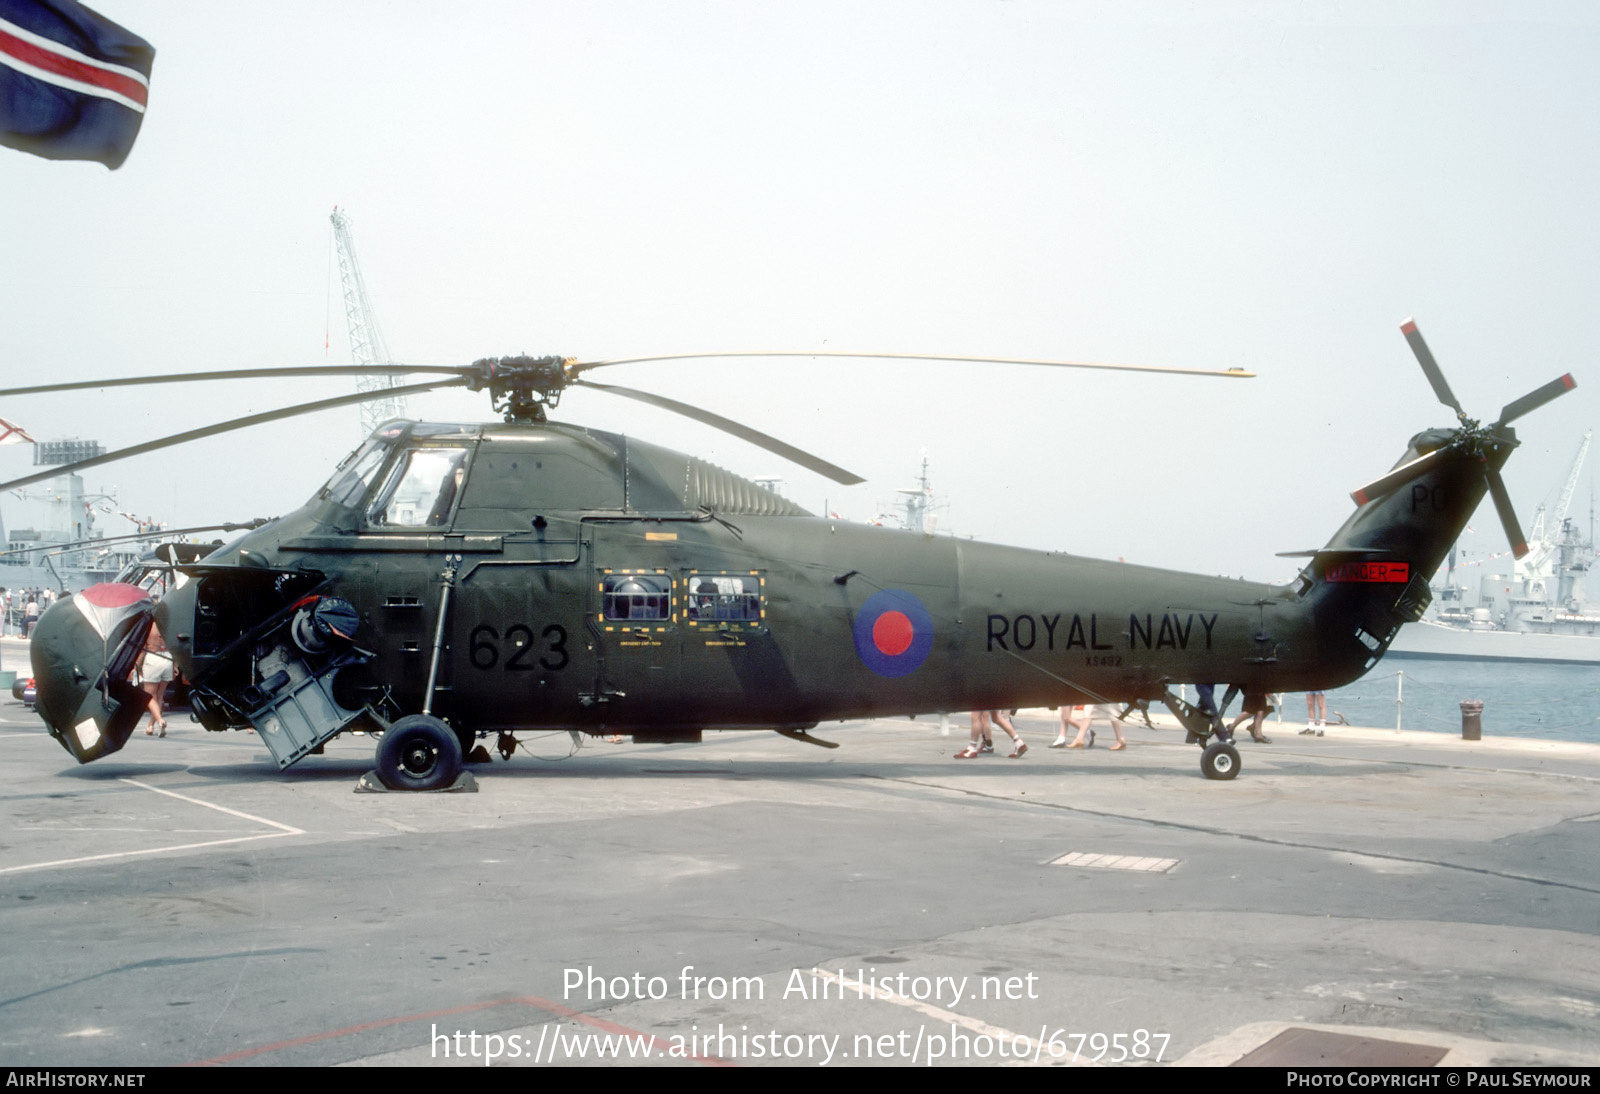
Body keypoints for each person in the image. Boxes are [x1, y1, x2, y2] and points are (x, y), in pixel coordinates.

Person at [137, 624, 173, 736]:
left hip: (153, 656)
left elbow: (143, 649)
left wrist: (137, 665)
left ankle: (160, 721)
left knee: (149, 696)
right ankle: (150, 726)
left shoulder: (149, 625)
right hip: (168, 657)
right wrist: (175, 664)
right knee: (159, 695)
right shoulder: (168, 624)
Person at [954, 710, 1027, 758]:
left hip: (984, 689)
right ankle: (1019, 742)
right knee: (996, 718)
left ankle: (972, 748)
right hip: (995, 689)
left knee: (976, 715)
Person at [1053, 704, 1128, 750]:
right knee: (1089, 711)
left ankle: (1120, 739)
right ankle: (1079, 738)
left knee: (1112, 712)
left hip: (1104, 687)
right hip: (1101, 686)